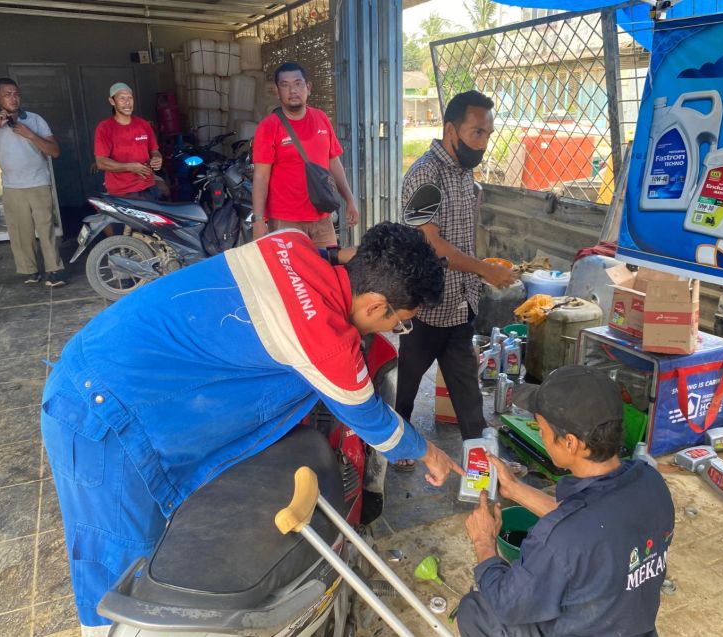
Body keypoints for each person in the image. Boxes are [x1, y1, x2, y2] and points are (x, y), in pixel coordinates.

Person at [41, 222, 464, 635]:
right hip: (99, 412)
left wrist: (346, 255)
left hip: (109, 364)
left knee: (153, 545)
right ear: (374, 305)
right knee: (117, 570)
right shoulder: (327, 340)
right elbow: (371, 419)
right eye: (400, 321)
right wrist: (430, 453)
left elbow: (332, 256)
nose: (395, 329)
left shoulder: (289, 243)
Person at [459, 365, 676, 637]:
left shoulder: (559, 539)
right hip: (631, 626)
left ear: (570, 442)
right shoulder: (651, 482)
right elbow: (590, 521)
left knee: (476, 610)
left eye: (542, 429)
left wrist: (483, 542)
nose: (541, 435)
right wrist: (514, 489)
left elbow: (507, 604)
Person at [394, 90, 517, 470]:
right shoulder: (424, 177)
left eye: (488, 134)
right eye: (476, 133)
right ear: (451, 129)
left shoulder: (466, 174)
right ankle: (397, 445)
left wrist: (481, 268)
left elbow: (464, 234)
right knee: (407, 386)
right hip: (425, 305)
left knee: (466, 390)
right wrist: (484, 270)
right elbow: (432, 246)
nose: (483, 142)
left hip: (461, 302)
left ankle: (482, 460)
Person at [0, 77, 65, 287]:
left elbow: (54, 151)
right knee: (21, 232)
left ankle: (53, 270)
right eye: (7, 94)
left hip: (39, 182)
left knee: (46, 228)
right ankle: (30, 270)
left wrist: (30, 134)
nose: (13, 98)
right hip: (12, 185)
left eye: (16, 94)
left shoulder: (35, 120)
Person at [251, 61, 359, 247]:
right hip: (285, 222)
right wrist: (259, 220)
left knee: (327, 270)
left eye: (298, 83)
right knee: (291, 275)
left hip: (322, 219)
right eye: (285, 85)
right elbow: (261, 176)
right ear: (277, 91)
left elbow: (334, 163)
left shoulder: (321, 119)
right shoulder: (269, 127)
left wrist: (350, 200)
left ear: (308, 87)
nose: (292, 90)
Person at [94, 82, 163, 200]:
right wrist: (129, 167)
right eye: (122, 98)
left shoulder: (143, 125)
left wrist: (157, 159)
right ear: (112, 101)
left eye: (130, 98)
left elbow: (154, 150)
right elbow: (101, 162)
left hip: (148, 187)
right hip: (122, 192)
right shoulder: (105, 128)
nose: (127, 102)